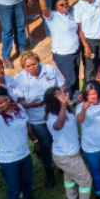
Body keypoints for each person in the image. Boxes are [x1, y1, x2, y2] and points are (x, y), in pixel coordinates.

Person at [42, 87, 100, 199]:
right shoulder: (51, 117)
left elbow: (71, 123)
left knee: (69, 177)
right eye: (60, 95)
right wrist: (64, 104)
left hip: (69, 153)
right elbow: (59, 125)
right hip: (66, 156)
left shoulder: (66, 110)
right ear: (54, 100)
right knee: (85, 180)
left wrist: (74, 104)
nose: (64, 95)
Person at [13, 50, 64, 189]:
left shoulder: (50, 70)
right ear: (24, 67)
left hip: (54, 113)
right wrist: (31, 104)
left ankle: (62, 166)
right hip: (37, 118)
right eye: (28, 66)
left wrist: (57, 98)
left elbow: (62, 86)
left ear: (38, 61)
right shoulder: (19, 79)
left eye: (34, 64)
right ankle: (49, 174)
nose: (32, 68)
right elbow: (19, 101)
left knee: (59, 140)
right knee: (46, 144)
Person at [37, 0, 86, 99]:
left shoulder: (69, 15)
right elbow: (44, 8)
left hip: (74, 52)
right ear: (55, 7)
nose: (65, 6)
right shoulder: (53, 17)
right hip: (63, 55)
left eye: (66, 4)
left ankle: (75, 100)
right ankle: (63, 100)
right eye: (61, 4)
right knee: (70, 80)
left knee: (76, 79)